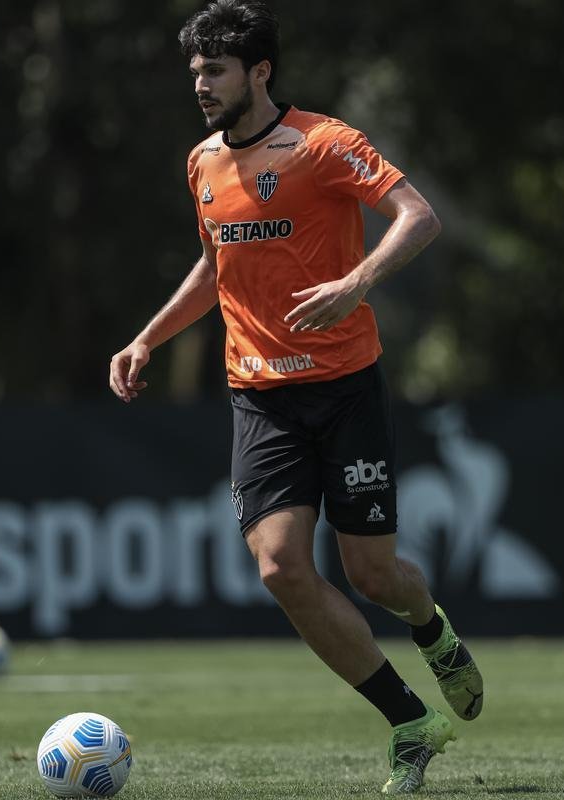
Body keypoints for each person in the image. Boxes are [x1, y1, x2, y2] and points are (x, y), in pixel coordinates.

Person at [109, 1, 483, 793]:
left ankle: (435, 632)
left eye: (215, 70)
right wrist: (148, 337)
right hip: (261, 398)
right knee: (280, 567)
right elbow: (216, 268)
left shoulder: (324, 143)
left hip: (347, 387)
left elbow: (420, 219)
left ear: (261, 71)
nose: (201, 85)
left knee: (374, 576)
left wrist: (357, 282)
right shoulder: (202, 162)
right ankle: (410, 721)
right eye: (196, 71)